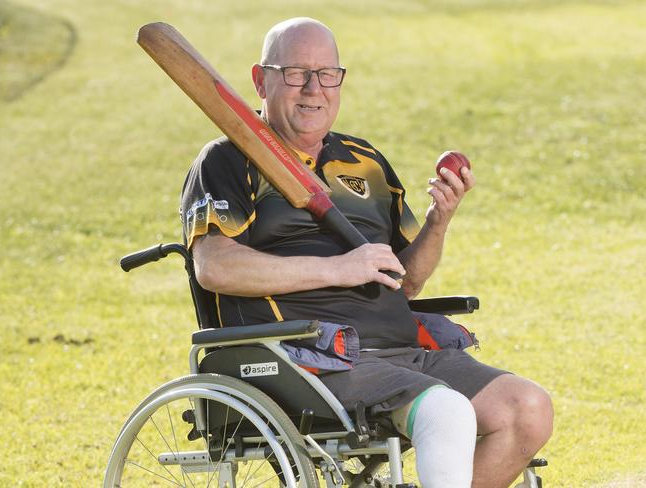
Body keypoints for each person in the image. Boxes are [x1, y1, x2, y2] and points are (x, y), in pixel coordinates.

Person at [180, 17, 553, 488]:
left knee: (529, 409)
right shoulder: (227, 159)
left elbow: (407, 280)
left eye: (326, 74)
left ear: (341, 80)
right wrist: (338, 268)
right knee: (446, 410)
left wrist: (440, 220)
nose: (313, 88)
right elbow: (215, 266)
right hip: (307, 357)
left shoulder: (365, 161)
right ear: (260, 80)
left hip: (402, 351)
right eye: (295, 73)